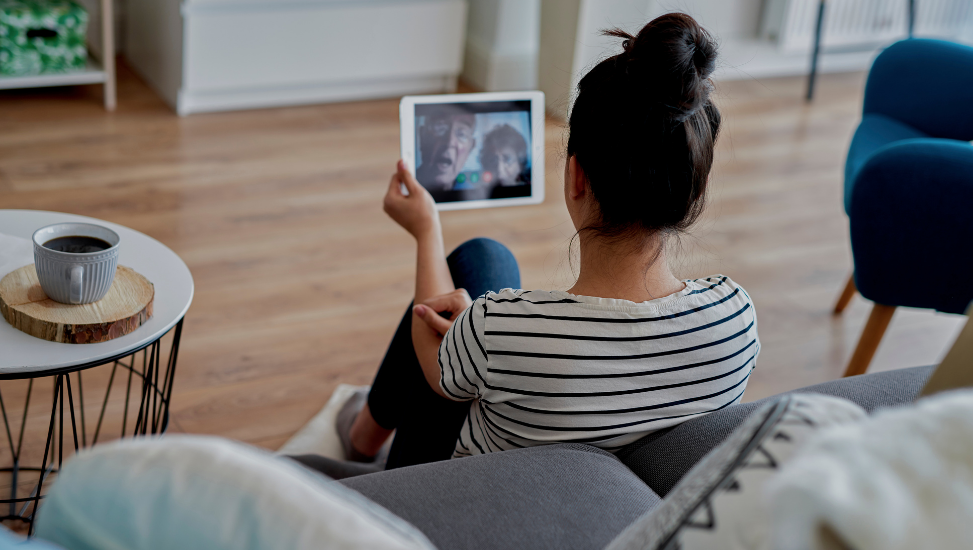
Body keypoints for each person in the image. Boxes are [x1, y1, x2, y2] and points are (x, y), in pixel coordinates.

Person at [290, 13, 760, 477]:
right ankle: (364, 434)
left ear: (577, 176)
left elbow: (436, 363)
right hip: (607, 502)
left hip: (465, 501)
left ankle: (361, 440)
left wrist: (426, 230)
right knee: (486, 260)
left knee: (479, 264)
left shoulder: (503, 328)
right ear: (693, 192)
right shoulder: (737, 319)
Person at [414, 112, 477, 193]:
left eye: (462, 134)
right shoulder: (407, 187)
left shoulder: (471, 195)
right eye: (440, 128)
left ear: (471, 147)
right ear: (422, 136)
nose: (449, 142)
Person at [478, 123, 533, 200]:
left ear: (520, 161)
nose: (500, 170)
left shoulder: (532, 188)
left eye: (507, 159)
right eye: (493, 160)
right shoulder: (481, 194)